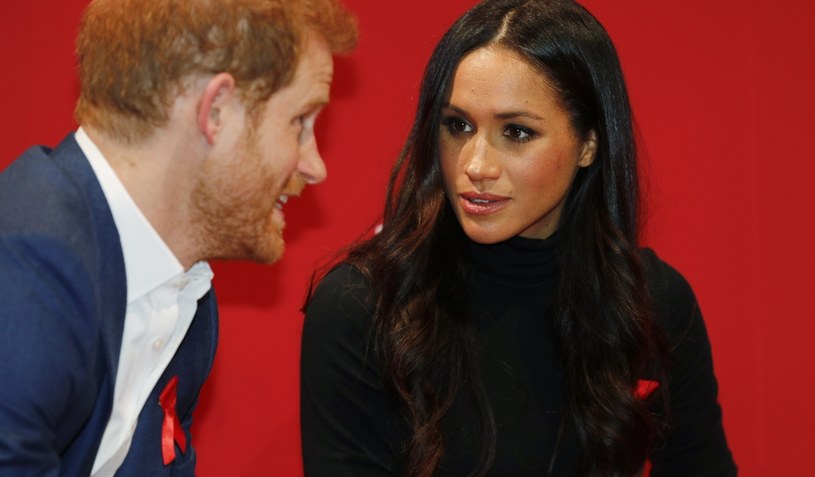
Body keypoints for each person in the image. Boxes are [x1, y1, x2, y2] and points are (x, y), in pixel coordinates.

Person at [300, 0, 736, 475]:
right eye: (458, 125)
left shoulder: (652, 301)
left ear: (589, 142)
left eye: (517, 132)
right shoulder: (361, 306)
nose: (475, 165)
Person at [0, 0, 357, 475]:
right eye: (299, 122)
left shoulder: (188, 301)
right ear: (217, 112)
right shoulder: (29, 266)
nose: (316, 166)